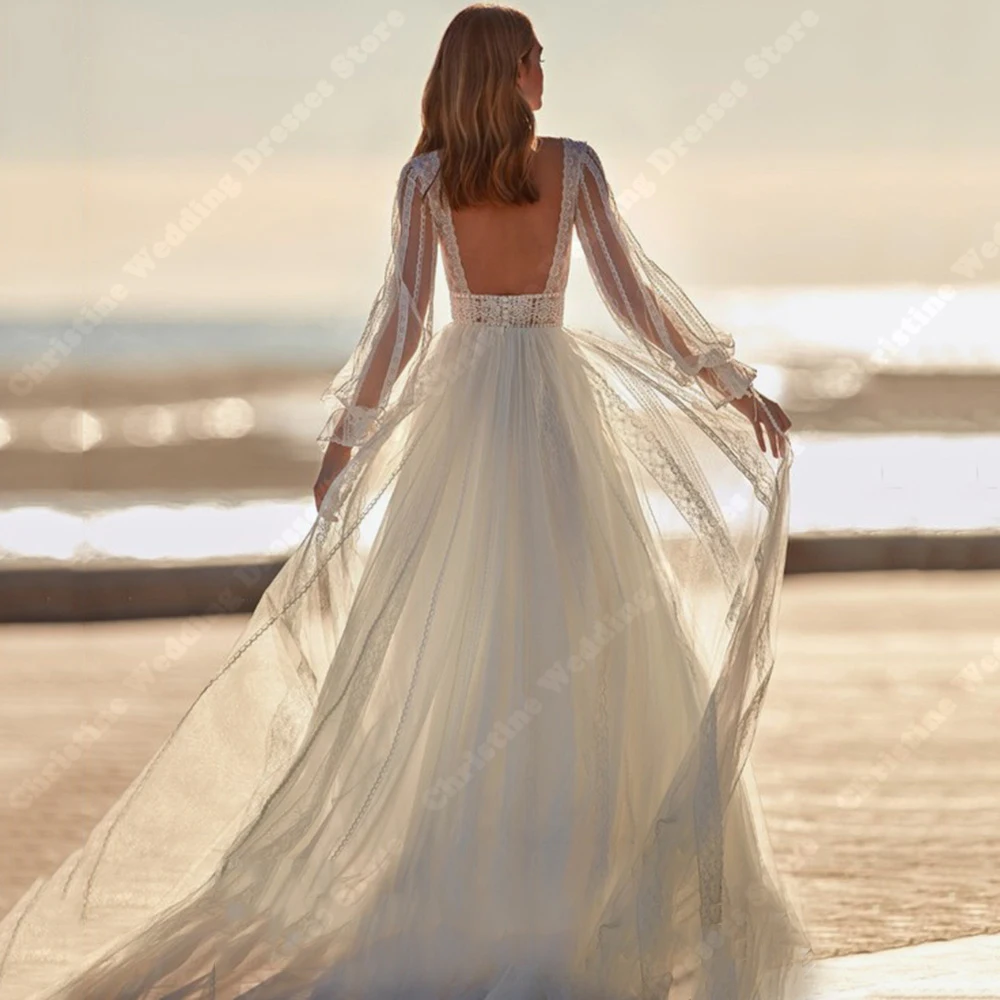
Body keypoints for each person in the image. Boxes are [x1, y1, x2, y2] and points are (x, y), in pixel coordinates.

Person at [0, 5, 811, 998]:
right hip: (557, 417)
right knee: (582, 628)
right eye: (535, 59)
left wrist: (348, 440)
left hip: (464, 418)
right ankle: (583, 885)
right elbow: (632, 302)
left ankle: (496, 883)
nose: (545, 73)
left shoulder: (427, 180)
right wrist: (727, 384)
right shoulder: (573, 165)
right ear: (508, 73)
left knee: (471, 644)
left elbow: (403, 326)